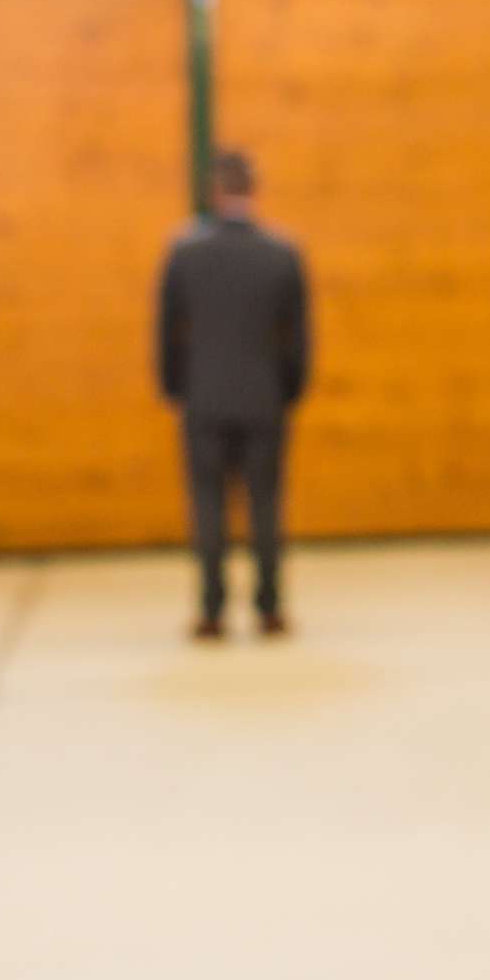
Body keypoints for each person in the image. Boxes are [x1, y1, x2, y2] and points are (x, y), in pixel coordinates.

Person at [157, 147, 309, 641]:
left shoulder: (184, 254)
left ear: (213, 192)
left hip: (204, 399)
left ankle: (212, 611)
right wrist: (288, 390)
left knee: (208, 507)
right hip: (264, 398)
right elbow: (299, 340)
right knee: (266, 505)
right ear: (253, 190)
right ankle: (269, 608)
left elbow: (167, 334)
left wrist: (177, 387)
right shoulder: (282, 254)